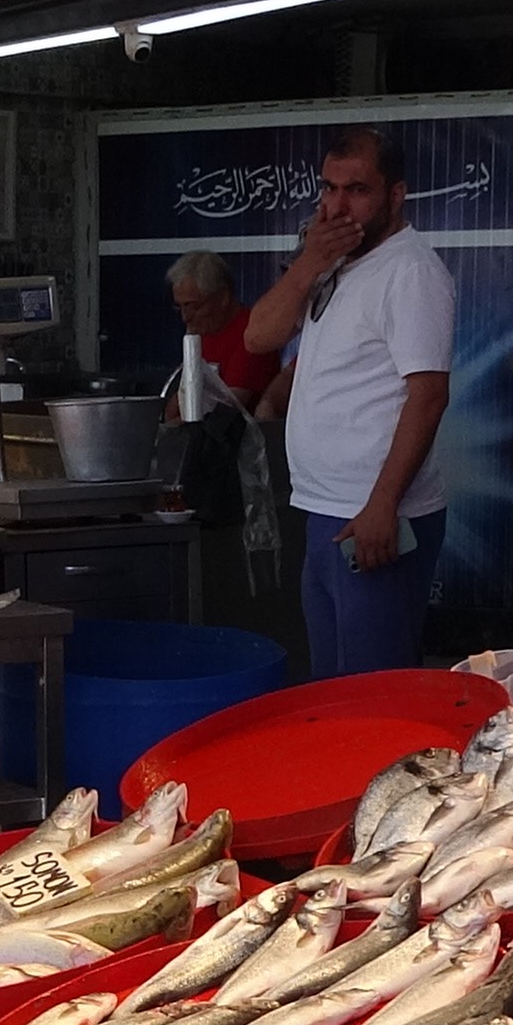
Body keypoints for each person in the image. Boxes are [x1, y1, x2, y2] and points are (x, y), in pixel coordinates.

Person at [242, 126, 455, 679]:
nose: (338, 205)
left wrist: (382, 505)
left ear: (395, 194)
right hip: (322, 506)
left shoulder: (409, 271)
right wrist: (310, 261)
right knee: (331, 688)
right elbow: (258, 337)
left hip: (375, 516)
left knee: (374, 691)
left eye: (357, 190)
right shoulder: (333, 259)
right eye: (329, 188)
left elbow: (428, 398)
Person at [167, 250, 279, 410]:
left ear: (223, 297)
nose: (186, 317)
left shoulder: (252, 334)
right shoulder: (201, 332)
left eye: (195, 306)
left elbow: (225, 408)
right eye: (181, 307)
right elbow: (179, 401)